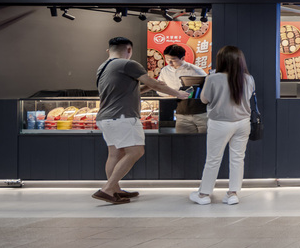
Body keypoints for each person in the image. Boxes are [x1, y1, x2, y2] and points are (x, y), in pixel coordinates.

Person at [95, 37, 188, 205]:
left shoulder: (103, 67)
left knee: (115, 153)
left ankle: (115, 190)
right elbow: (155, 84)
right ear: (129, 50)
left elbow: (129, 91)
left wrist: (148, 86)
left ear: (109, 50)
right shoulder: (128, 64)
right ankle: (107, 189)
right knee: (136, 151)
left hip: (106, 117)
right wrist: (178, 94)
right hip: (123, 116)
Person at [190, 45, 255, 206]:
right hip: (243, 123)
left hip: (220, 123)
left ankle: (204, 194)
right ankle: (232, 194)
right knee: (238, 159)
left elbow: (204, 99)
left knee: (213, 159)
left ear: (221, 60)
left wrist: (210, 79)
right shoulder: (248, 78)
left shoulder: (213, 78)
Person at [158, 44, 208, 133]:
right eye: (167, 59)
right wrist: (171, 93)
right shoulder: (165, 71)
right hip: (181, 113)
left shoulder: (195, 70)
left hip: (200, 113)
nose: (169, 63)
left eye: (173, 60)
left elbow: (208, 89)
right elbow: (159, 89)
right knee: (183, 142)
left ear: (182, 58)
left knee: (204, 142)